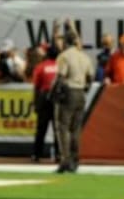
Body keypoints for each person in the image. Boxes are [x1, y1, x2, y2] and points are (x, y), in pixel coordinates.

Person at [53, 30, 93, 174]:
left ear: (66, 42)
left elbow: (61, 77)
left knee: (63, 127)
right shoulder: (85, 57)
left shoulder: (64, 56)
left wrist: (55, 93)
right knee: (76, 129)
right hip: (80, 92)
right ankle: (75, 160)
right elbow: (90, 78)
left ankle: (65, 160)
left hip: (68, 92)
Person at [31, 46, 59, 163]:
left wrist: (35, 103)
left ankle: (37, 154)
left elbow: (36, 86)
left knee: (41, 128)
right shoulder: (61, 66)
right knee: (57, 128)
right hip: (57, 98)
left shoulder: (41, 66)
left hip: (44, 97)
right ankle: (59, 154)